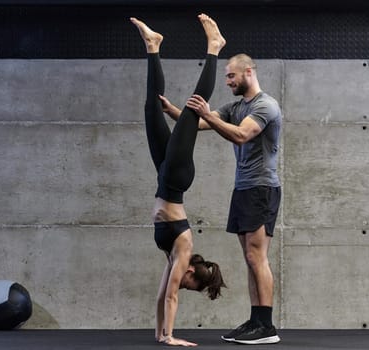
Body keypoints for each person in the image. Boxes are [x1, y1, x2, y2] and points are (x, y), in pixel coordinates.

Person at [162, 54, 282, 344]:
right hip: (243, 189)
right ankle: (255, 320)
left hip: (260, 189)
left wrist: (204, 115)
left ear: (248, 72)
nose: (227, 81)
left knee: (257, 257)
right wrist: (171, 110)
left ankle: (266, 325)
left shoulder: (265, 106)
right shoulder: (237, 106)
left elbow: (241, 135)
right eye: (227, 76)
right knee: (250, 258)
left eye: (231, 76)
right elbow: (201, 124)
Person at [130, 14, 227, 347]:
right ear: (190, 274)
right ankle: (215, 47)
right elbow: (172, 296)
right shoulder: (183, 251)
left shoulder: (174, 258)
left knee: (150, 109)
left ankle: (153, 46)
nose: (181, 284)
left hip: (164, 177)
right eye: (189, 284)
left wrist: (160, 335)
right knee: (193, 108)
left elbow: (161, 296)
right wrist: (173, 338)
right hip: (176, 179)